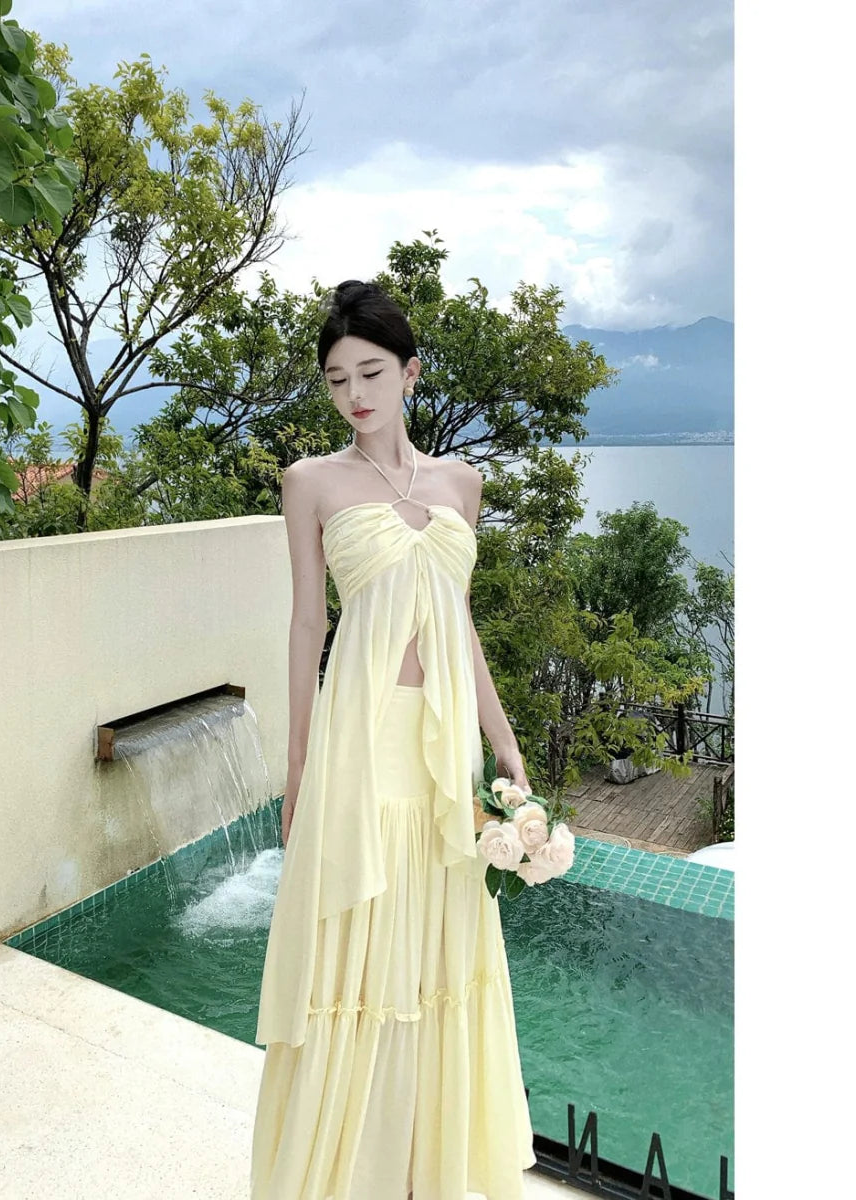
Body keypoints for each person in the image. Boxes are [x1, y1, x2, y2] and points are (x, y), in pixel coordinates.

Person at [250, 280, 538, 1199]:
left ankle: (422, 1172)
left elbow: (458, 621)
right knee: (362, 950)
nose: (355, 394)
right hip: (360, 738)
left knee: (440, 946)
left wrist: (503, 740)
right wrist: (298, 766)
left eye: (371, 373)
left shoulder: (461, 483)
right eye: (337, 379)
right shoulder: (311, 482)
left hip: (442, 748)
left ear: (411, 373)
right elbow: (307, 625)